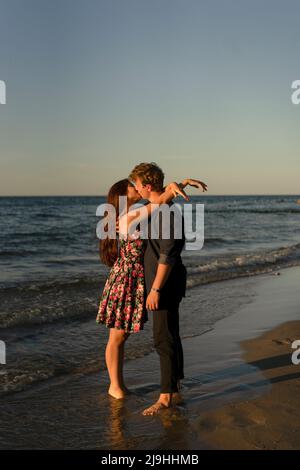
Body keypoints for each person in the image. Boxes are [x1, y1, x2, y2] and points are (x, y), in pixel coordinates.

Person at [96, 177, 190, 399]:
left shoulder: (140, 212)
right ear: (122, 195)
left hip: (138, 278)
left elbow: (157, 200)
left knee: (123, 335)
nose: (136, 188)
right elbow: (158, 201)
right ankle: (115, 386)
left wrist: (178, 185)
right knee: (118, 336)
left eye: (136, 184)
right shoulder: (126, 217)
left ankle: (121, 385)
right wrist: (175, 187)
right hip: (125, 278)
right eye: (131, 186)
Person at [128, 162, 207, 415]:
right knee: (171, 334)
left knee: (163, 339)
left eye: (138, 186)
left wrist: (155, 290)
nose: (136, 190)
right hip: (164, 282)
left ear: (147, 185)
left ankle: (165, 398)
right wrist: (179, 184)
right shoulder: (155, 209)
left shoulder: (167, 214)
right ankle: (174, 388)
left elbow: (167, 255)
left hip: (165, 284)